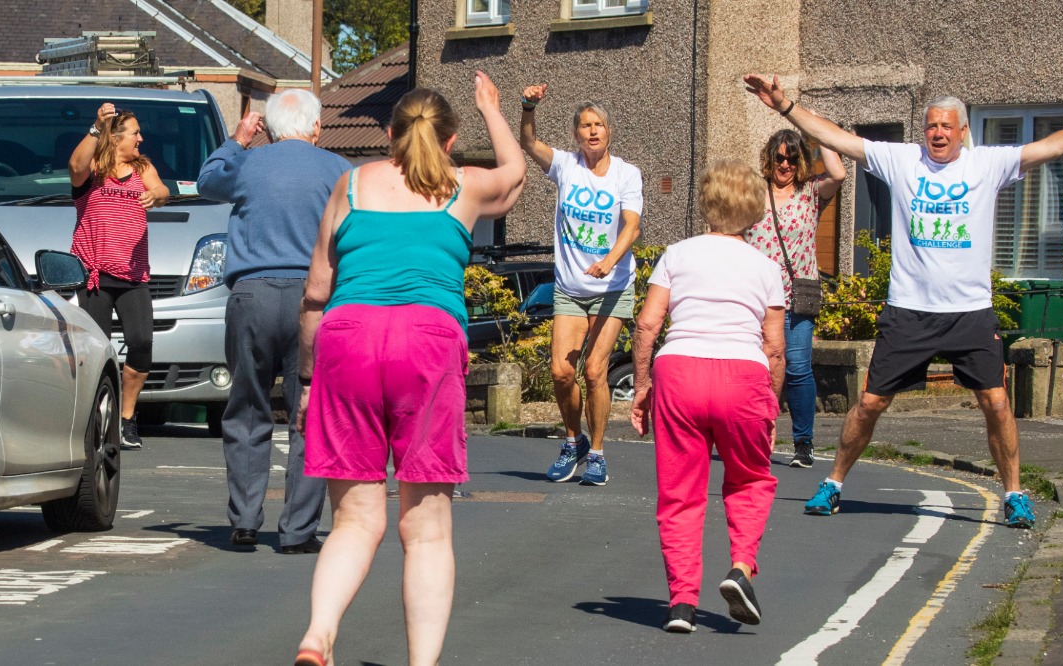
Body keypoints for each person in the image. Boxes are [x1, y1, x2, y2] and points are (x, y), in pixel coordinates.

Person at [745, 74, 1063, 528]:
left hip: (969, 313)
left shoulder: (987, 165)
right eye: (931, 126)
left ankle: (1014, 494)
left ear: (962, 132)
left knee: (996, 403)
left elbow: (1053, 147)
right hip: (909, 311)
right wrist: (783, 105)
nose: (937, 133)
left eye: (946, 126)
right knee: (871, 404)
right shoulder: (902, 160)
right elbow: (835, 136)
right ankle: (834, 483)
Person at [292, 72, 525, 666]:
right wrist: (493, 110)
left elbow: (317, 293)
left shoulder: (349, 185)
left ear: (390, 135)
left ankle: (318, 635)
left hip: (348, 339)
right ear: (449, 143)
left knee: (353, 519)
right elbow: (516, 173)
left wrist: (307, 382)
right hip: (426, 342)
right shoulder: (463, 186)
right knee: (425, 529)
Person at [630, 159, 786, 633]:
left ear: (706, 203)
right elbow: (775, 347)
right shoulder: (767, 268)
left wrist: (641, 385)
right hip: (743, 377)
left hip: (680, 372)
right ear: (756, 211)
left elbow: (648, 324)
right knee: (750, 479)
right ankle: (740, 568)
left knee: (679, 493)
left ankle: (681, 604)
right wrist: (771, 404)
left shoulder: (676, 255)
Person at [196, 89, 346, 554]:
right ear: (316, 127)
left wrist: (238, 140)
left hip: (253, 293)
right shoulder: (340, 170)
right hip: (314, 299)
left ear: (271, 128)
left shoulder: (247, 165)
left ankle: (244, 520)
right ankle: (299, 529)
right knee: (311, 412)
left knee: (247, 406)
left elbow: (206, 181)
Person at [519, 83, 644, 486]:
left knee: (594, 371)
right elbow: (529, 142)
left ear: (609, 132)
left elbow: (632, 226)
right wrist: (527, 107)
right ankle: (573, 441)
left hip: (613, 287)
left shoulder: (627, 174)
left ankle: (599, 454)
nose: (593, 131)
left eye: (599, 125)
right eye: (586, 126)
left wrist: (609, 261)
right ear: (576, 134)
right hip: (571, 288)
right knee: (560, 372)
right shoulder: (565, 166)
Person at [69, 102, 169, 450]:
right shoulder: (94, 169)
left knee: (141, 343)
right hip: (94, 275)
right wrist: (96, 127)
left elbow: (162, 190)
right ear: (116, 137)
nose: (141, 138)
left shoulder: (142, 166)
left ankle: (127, 419)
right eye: (135, 133)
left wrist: (156, 194)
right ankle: (95, 418)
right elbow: (74, 166)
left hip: (133, 275)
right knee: (96, 351)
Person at [745, 129, 845, 468]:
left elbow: (838, 173)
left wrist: (815, 130)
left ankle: (804, 443)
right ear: (769, 159)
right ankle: (756, 436)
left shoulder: (810, 194)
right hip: (757, 301)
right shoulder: (753, 194)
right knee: (757, 372)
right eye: (779, 157)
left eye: (791, 158)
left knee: (799, 369)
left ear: (801, 160)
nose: (784, 164)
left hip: (796, 299)